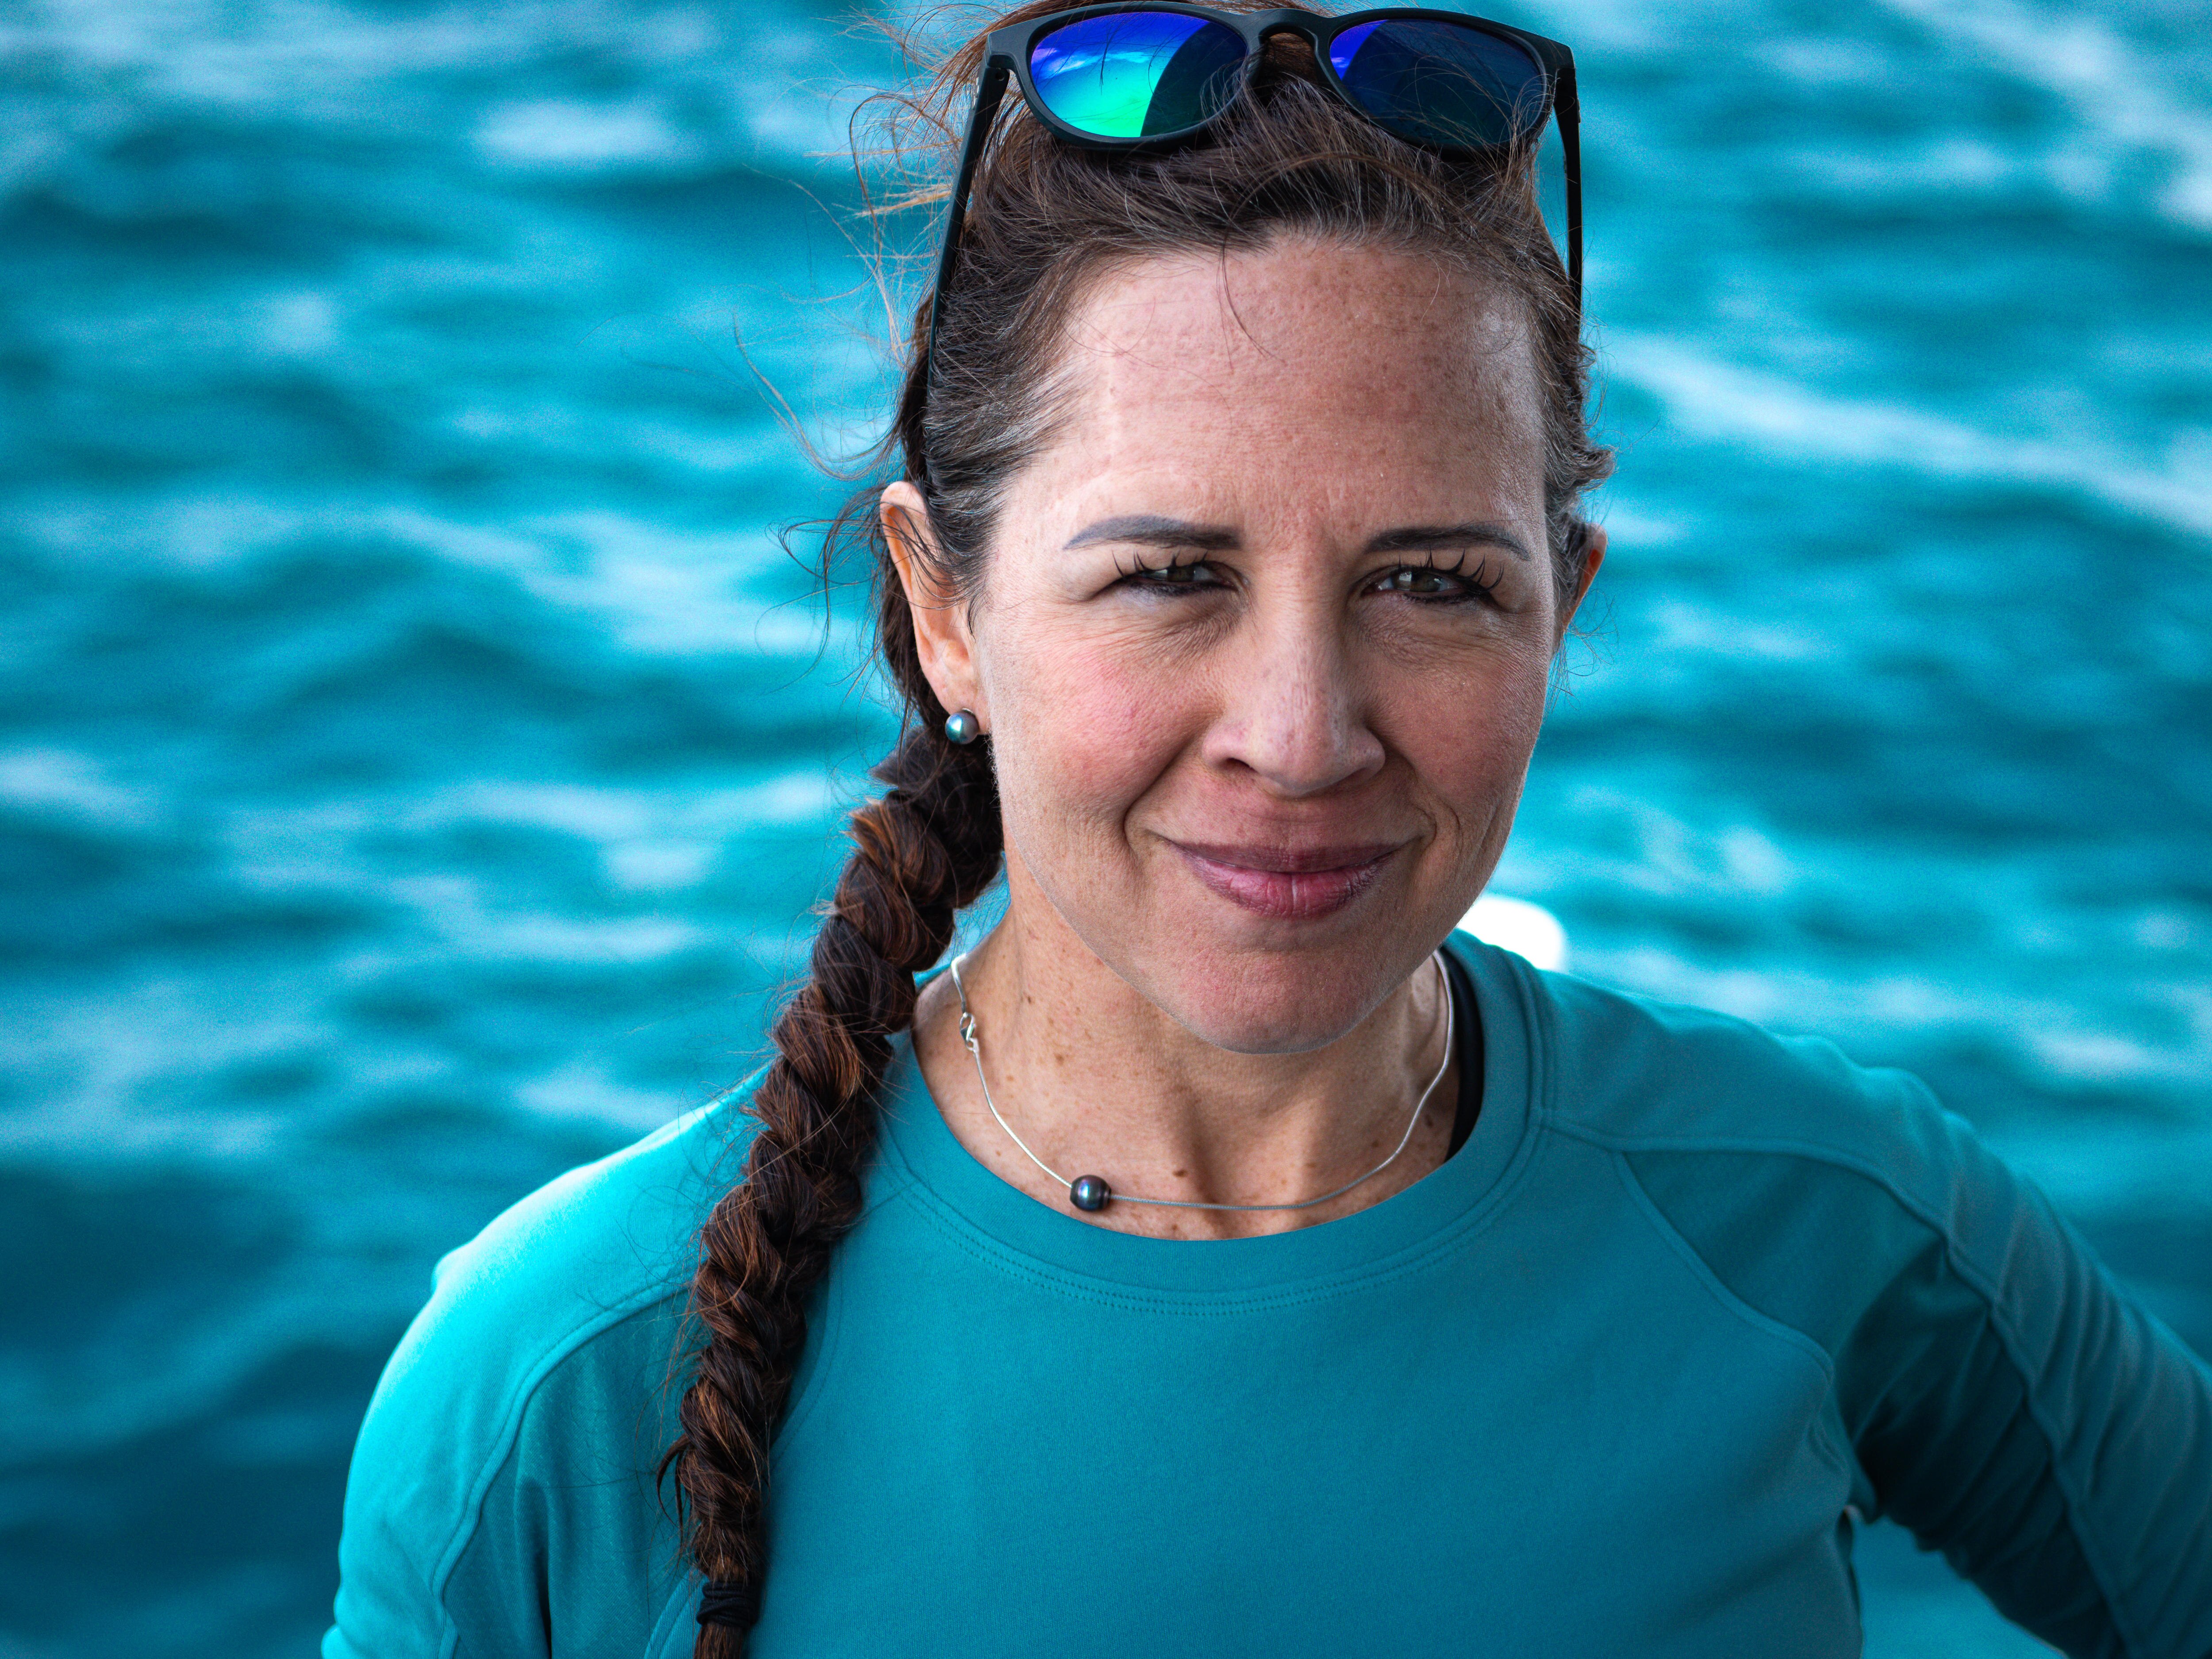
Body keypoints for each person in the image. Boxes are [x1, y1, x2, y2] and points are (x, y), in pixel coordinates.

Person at [323, 5, 2212, 1656]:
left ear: (1563, 598)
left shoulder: (1829, 1219)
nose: (1299, 734)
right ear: (943, 606)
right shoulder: (555, 1389)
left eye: (1429, 583)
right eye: (1166, 575)